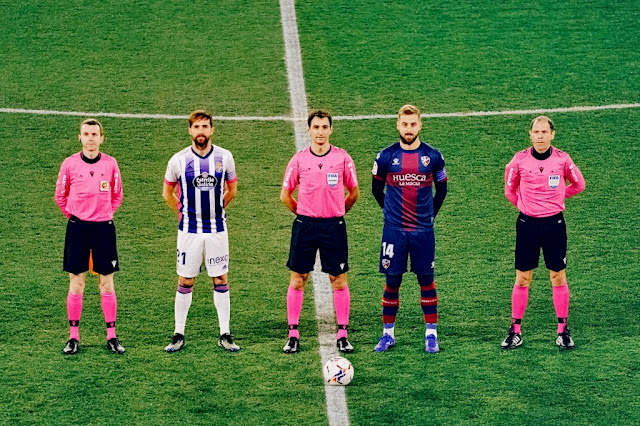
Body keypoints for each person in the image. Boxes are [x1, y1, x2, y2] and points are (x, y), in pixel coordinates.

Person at [501, 116, 585, 350]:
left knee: (557, 276)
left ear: (552, 135)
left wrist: (557, 198)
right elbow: (509, 190)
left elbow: (579, 185)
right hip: (527, 225)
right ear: (530, 134)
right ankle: (515, 330)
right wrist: (525, 205)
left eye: (544, 132)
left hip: (554, 225)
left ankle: (562, 330)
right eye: (536, 132)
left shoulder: (563, 160)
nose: (540, 136)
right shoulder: (519, 160)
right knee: (522, 277)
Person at [280, 110, 360, 354]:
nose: (320, 132)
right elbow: (285, 196)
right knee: (298, 279)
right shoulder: (298, 160)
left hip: (333, 227)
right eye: (316, 127)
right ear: (309, 130)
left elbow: (354, 192)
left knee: (338, 280)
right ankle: (293, 333)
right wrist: (304, 214)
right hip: (305, 226)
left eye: (325, 127)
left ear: (331, 130)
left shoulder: (342, 158)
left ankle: (343, 334)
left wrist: (336, 212)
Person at [371, 104, 448, 353]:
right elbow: (376, 189)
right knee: (392, 281)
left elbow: (442, 190)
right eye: (404, 124)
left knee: (426, 280)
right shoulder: (385, 157)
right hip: (394, 231)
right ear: (397, 125)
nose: (408, 129)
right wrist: (390, 213)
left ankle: (431, 335)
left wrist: (428, 216)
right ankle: (388, 335)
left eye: (413, 124)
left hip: (423, 231)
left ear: (420, 125)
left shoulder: (433, 157)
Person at [162, 110, 240, 352]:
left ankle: (225, 333)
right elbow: (168, 192)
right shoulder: (178, 160)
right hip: (189, 232)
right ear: (190, 130)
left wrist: (217, 208)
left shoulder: (224, 157)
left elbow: (232, 189)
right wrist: (182, 212)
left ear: (212, 130)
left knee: (220, 278)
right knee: (185, 279)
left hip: (217, 229)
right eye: (197, 127)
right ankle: (178, 333)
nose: (201, 132)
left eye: (205, 127)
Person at [55, 118, 124, 355]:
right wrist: (77, 217)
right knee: (77, 283)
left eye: (95, 134)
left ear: (101, 138)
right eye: (86, 134)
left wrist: (102, 214)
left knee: (106, 282)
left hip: (104, 229)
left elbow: (117, 196)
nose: (91, 138)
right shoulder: (69, 164)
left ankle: (112, 336)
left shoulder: (111, 164)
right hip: (78, 229)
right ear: (80, 137)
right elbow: (60, 197)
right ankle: (73, 337)